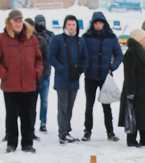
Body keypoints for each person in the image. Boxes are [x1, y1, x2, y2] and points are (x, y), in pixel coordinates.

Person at [0, 9, 43, 153]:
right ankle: (12, 143)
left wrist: (36, 73)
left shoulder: (32, 38)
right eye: (15, 21)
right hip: (10, 84)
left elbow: (39, 59)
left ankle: (27, 143)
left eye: (20, 21)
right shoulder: (1, 39)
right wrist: (4, 74)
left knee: (28, 115)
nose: (18, 24)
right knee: (12, 115)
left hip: (29, 84)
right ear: (10, 22)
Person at [47, 14, 89, 145]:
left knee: (70, 106)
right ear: (65, 25)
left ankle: (67, 129)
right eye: (69, 24)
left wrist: (81, 69)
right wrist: (61, 68)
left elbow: (85, 57)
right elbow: (51, 56)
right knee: (63, 106)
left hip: (74, 78)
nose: (71, 27)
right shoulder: (57, 39)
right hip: (62, 79)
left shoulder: (80, 41)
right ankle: (62, 133)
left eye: (73, 25)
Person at [82, 11, 123, 142]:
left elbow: (119, 55)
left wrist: (112, 67)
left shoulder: (111, 37)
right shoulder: (86, 37)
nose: (98, 25)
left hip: (105, 76)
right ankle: (87, 131)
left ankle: (110, 131)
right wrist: (86, 67)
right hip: (90, 75)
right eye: (96, 23)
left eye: (100, 23)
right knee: (89, 105)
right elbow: (82, 54)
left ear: (104, 24)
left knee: (107, 104)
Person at [118, 28, 145, 148]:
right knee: (134, 114)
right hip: (136, 88)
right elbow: (129, 74)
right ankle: (132, 139)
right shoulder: (131, 53)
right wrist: (130, 92)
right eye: (144, 38)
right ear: (138, 40)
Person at [31, 15, 54, 134]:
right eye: (39, 22)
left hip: (45, 73)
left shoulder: (50, 35)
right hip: (34, 74)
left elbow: (51, 53)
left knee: (44, 100)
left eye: (43, 22)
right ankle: (32, 123)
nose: (41, 24)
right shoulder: (32, 37)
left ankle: (43, 123)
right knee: (32, 101)